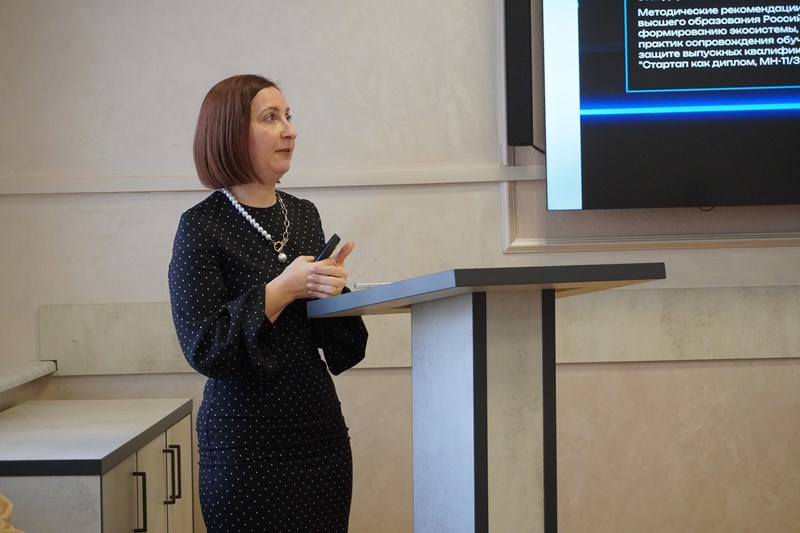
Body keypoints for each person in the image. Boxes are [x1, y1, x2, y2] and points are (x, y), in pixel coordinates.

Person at [168, 74, 368, 532]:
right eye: (271, 118)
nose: (289, 131)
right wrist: (282, 289)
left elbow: (340, 344)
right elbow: (204, 345)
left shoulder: (304, 214)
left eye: (288, 117)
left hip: (318, 435)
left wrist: (332, 290)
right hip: (242, 445)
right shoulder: (200, 226)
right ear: (231, 134)